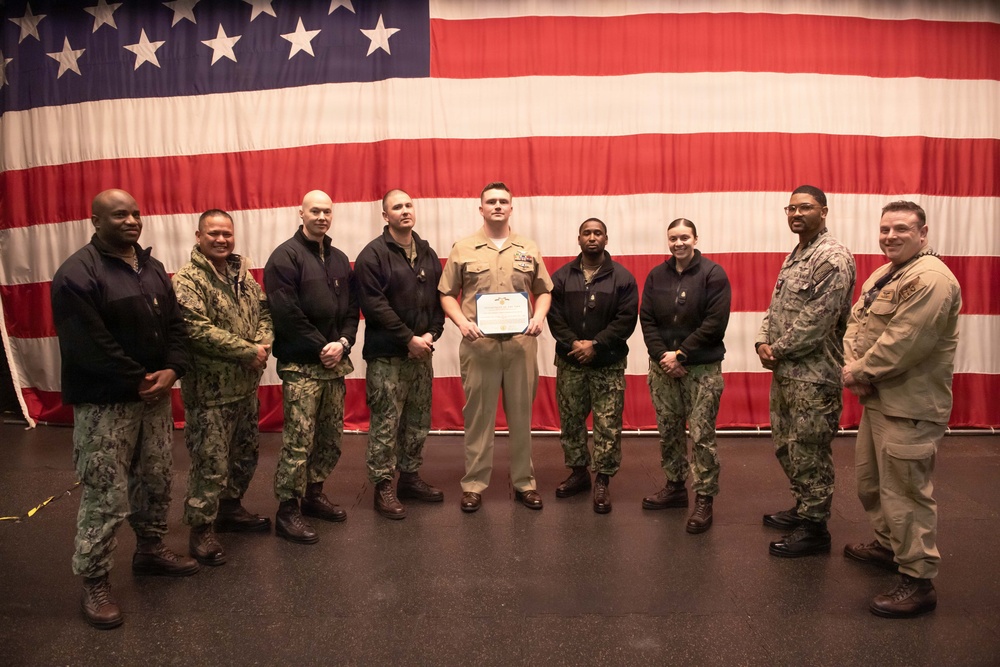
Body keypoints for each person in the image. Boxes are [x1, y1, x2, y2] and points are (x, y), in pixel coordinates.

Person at [51, 189, 198, 630]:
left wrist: (173, 369)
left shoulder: (151, 268)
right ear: (95, 220)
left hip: (153, 398)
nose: (132, 221)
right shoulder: (76, 273)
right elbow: (87, 344)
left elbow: (176, 326)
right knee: (105, 492)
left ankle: (150, 549)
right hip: (106, 404)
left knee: (155, 478)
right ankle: (95, 580)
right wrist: (138, 378)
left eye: (135, 213)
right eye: (120, 215)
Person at [842, 201, 961, 618]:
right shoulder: (884, 274)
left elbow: (906, 342)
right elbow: (855, 324)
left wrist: (857, 371)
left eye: (901, 229)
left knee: (906, 495)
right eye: (885, 229)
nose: (890, 236)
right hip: (878, 399)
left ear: (922, 233)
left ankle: (918, 579)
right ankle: (889, 547)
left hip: (909, 406)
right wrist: (855, 369)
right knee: (871, 484)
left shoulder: (931, 279)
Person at [439, 182, 553, 512]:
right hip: (480, 347)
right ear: (481, 209)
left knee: (521, 416)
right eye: (491, 201)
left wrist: (539, 316)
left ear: (511, 208)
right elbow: (446, 293)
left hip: (520, 346)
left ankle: (524, 483)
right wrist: (461, 322)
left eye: (503, 201)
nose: (498, 206)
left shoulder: (527, 248)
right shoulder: (463, 248)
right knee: (478, 418)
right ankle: (474, 484)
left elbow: (544, 290)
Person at [756, 185, 856, 557]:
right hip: (787, 372)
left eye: (806, 207)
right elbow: (776, 306)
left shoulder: (832, 257)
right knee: (788, 446)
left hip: (814, 376)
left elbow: (818, 320)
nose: (797, 214)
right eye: (792, 208)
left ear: (823, 211)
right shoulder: (797, 254)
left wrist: (777, 349)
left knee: (810, 450)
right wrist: (761, 341)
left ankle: (815, 528)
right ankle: (803, 506)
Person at [173, 209, 273, 566]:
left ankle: (230, 509)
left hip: (245, 388)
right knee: (210, 464)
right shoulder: (188, 280)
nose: (221, 239)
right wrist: (247, 351)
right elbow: (196, 329)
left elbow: (264, 313)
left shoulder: (242, 275)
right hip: (209, 393)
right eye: (213, 233)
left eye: (226, 234)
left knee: (244, 457)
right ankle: (201, 528)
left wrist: (262, 344)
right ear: (199, 236)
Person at [264, 190, 359, 544]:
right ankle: (287, 510)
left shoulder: (339, 259)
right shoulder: (284, 257)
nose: (321, 217)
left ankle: (313, 494)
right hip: (302, 366)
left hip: (334, 364)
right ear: (300, 213)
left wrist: (343, 343)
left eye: (327, 211)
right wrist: (323, 347)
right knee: (299, 441)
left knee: (330, 438)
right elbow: (286, 313)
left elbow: (352, 310)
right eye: (315, 211)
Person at [354, 190, 446, 520]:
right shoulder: (373, 255)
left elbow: (439, 300)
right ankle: (383, 486)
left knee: (417, 421)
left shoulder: (427, 253)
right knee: (386, 424)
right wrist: (408, 338)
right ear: (385, 215)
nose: (404, 211)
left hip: (421, 354)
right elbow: (374, 306)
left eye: (408, 205)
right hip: (387, 357)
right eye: (397, 207)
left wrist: (431, 334)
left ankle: (409, 477)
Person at [640, 219, 731, 533]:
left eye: (684, 237)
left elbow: (715, 323)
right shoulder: (657, 275)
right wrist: (663, 357)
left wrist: (681, 354)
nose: (678, 243)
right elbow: (647, 319)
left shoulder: (712, 274)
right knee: (669, 430)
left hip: (701, 368)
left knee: (702, 435)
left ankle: (704, 498)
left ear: (695, 238)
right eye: (673, 238)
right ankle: (675, 487)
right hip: (663, 367)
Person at [547, 218, 638, 514]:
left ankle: (602, 480)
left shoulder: (622, 278)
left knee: (607, 425)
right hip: (571, 361)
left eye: (598, 233)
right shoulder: (561, 277)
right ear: (579, 239)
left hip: (607, 364)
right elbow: (554, 317)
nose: (592, 237)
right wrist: (575, 344)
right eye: (586, 233)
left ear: (606, 239)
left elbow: (626, 321)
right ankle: (578, 473)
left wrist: (596, 344)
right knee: (571, 421)